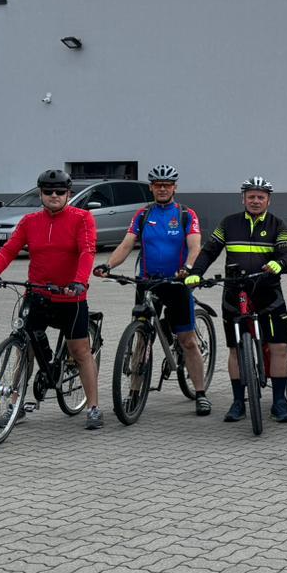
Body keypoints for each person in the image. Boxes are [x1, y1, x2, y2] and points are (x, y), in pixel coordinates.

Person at [0, 168, 103, 430]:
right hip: (37, 295)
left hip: (70, 297)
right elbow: (9, 249)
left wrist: (79, 282)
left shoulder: (82, 219)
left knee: (80, 351)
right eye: (48, 191)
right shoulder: (30, 221)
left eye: (59, 192)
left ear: (68, 194)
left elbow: (87, 251)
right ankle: (15, 406)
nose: (54, 196)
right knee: (24, 349)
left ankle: (93, 407)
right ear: (40, 194)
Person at [94, 165, 208, 414]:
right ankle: (134, 393)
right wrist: (108, 265)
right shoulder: (143, 214)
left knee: (187, 340)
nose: (163, 188)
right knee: (141, 339)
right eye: (158, 185)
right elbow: (126, 245)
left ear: (174, 187)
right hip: (147, 283)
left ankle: (200, 393)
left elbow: (195, 247)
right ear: (152, 188)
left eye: (167, 185)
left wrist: (188, 268)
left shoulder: (186, 214)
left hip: (176, 283)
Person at [185, 176, 287, 424]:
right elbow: (209, 250)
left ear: (268, 200)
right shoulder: (228, 223)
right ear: (243, 198)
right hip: (234, 294)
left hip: (268, 293)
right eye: (251, 196)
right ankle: (238, 402)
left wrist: (279, 264)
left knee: (278, 347)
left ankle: (279, 402)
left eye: (260, 197)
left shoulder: (278, 225)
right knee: (235, 350)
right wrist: (196, 273)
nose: (255, 201)